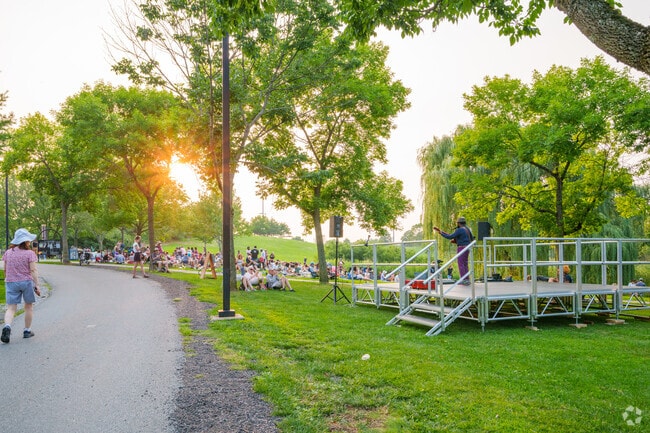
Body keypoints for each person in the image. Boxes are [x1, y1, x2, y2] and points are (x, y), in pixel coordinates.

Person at [2, 228, 41, 343]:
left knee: (11, 308)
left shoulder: (8, 253)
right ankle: (27, 331)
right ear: (25, 241)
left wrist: (8, 278)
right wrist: (37, 285)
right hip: (26, 282)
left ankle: (7, 326)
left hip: (11, 282)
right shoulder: (30, 253)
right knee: (28, 306)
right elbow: (33, 270)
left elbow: (5, 269)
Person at [434, 217, 474, 285]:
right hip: (468, 247)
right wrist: (441, 231)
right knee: (465, 264)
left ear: (458, 223)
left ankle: (463, 280)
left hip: (462, 248)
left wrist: (441, 233)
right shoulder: (467, 229)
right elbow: (470, 238)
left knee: (461, 264)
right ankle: (467, 279)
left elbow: (450, 236)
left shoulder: (460, 230)